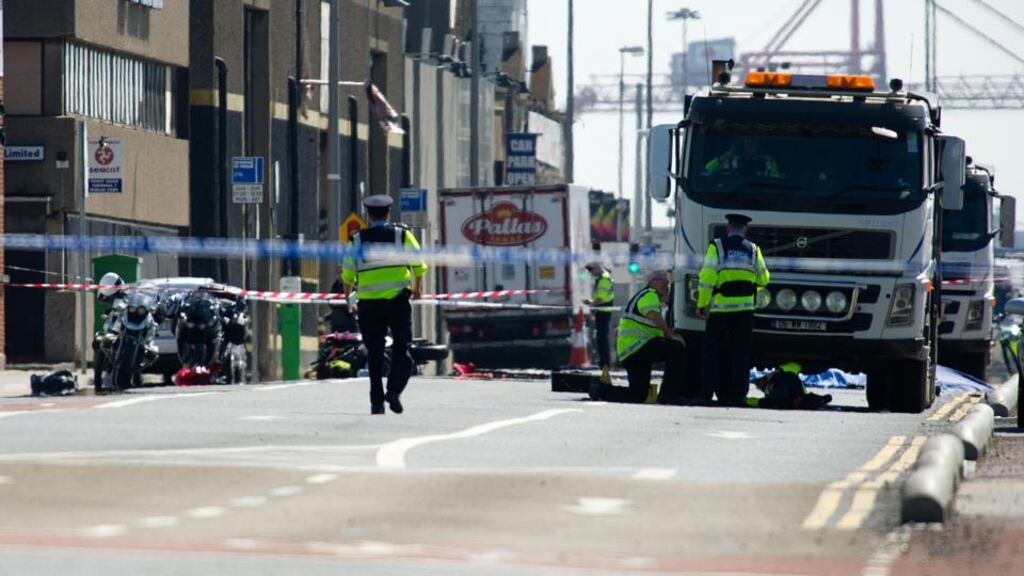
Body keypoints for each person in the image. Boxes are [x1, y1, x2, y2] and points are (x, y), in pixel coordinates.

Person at [342, 194, 427, 415]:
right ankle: (394, 390)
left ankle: (376, 403)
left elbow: (348, 275)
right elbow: (419, 265)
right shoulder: (402, 235)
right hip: (397, 303)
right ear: (388, 213)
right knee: (402, 349)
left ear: (368, 216)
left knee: (375, 353)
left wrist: (347, 299)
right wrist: (417, 289)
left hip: (369, 306)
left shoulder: (357, 240)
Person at [697, 214, 770, 406]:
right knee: (741, 354)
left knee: (711, 353)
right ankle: (738, 396)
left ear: (728, 227)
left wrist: (702, 304)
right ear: (745, 230)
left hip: (721, 311)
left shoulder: (718, 246)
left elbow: (707, 279)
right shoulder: (754, 250)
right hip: (745, 312)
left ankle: (706, 393)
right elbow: (764, 279)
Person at [590, 270, 685, 404]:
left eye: (667, 282)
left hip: (631, 352)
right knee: (676, 348)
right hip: (639, 347)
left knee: (638, 395)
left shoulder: (647, 296)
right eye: (663, 281)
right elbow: (653, 315)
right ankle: (668, 395)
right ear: (652, 283)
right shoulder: (649, 294)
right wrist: (671, 336)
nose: (666, 285)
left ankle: (601, 390)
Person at [747, 362, 832, 410]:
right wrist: (824, 399)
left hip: (779, 382)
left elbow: (759, 402)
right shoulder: (796, 393)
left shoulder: (779, 400)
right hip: (781, 378)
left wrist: (744, 400)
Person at [583, 262, 615, 373]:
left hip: (603, 310)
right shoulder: (602, 278)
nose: (590, 273)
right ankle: (603, 363)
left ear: (596, 268)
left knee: (602, 338)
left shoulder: (604, 278)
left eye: (591, 270)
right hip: (601, 310)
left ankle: (605, 364)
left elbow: (601, 297)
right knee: (601, 338)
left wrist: (591, 303)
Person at [704, 137, 781, 178]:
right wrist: (728, 154)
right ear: (742, 143)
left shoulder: (768, 161)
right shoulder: (731, 160)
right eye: (748, 142)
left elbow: (776, 179)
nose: (750, 144)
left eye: (753, 141)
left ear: (758, 144)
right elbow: (709, 168)